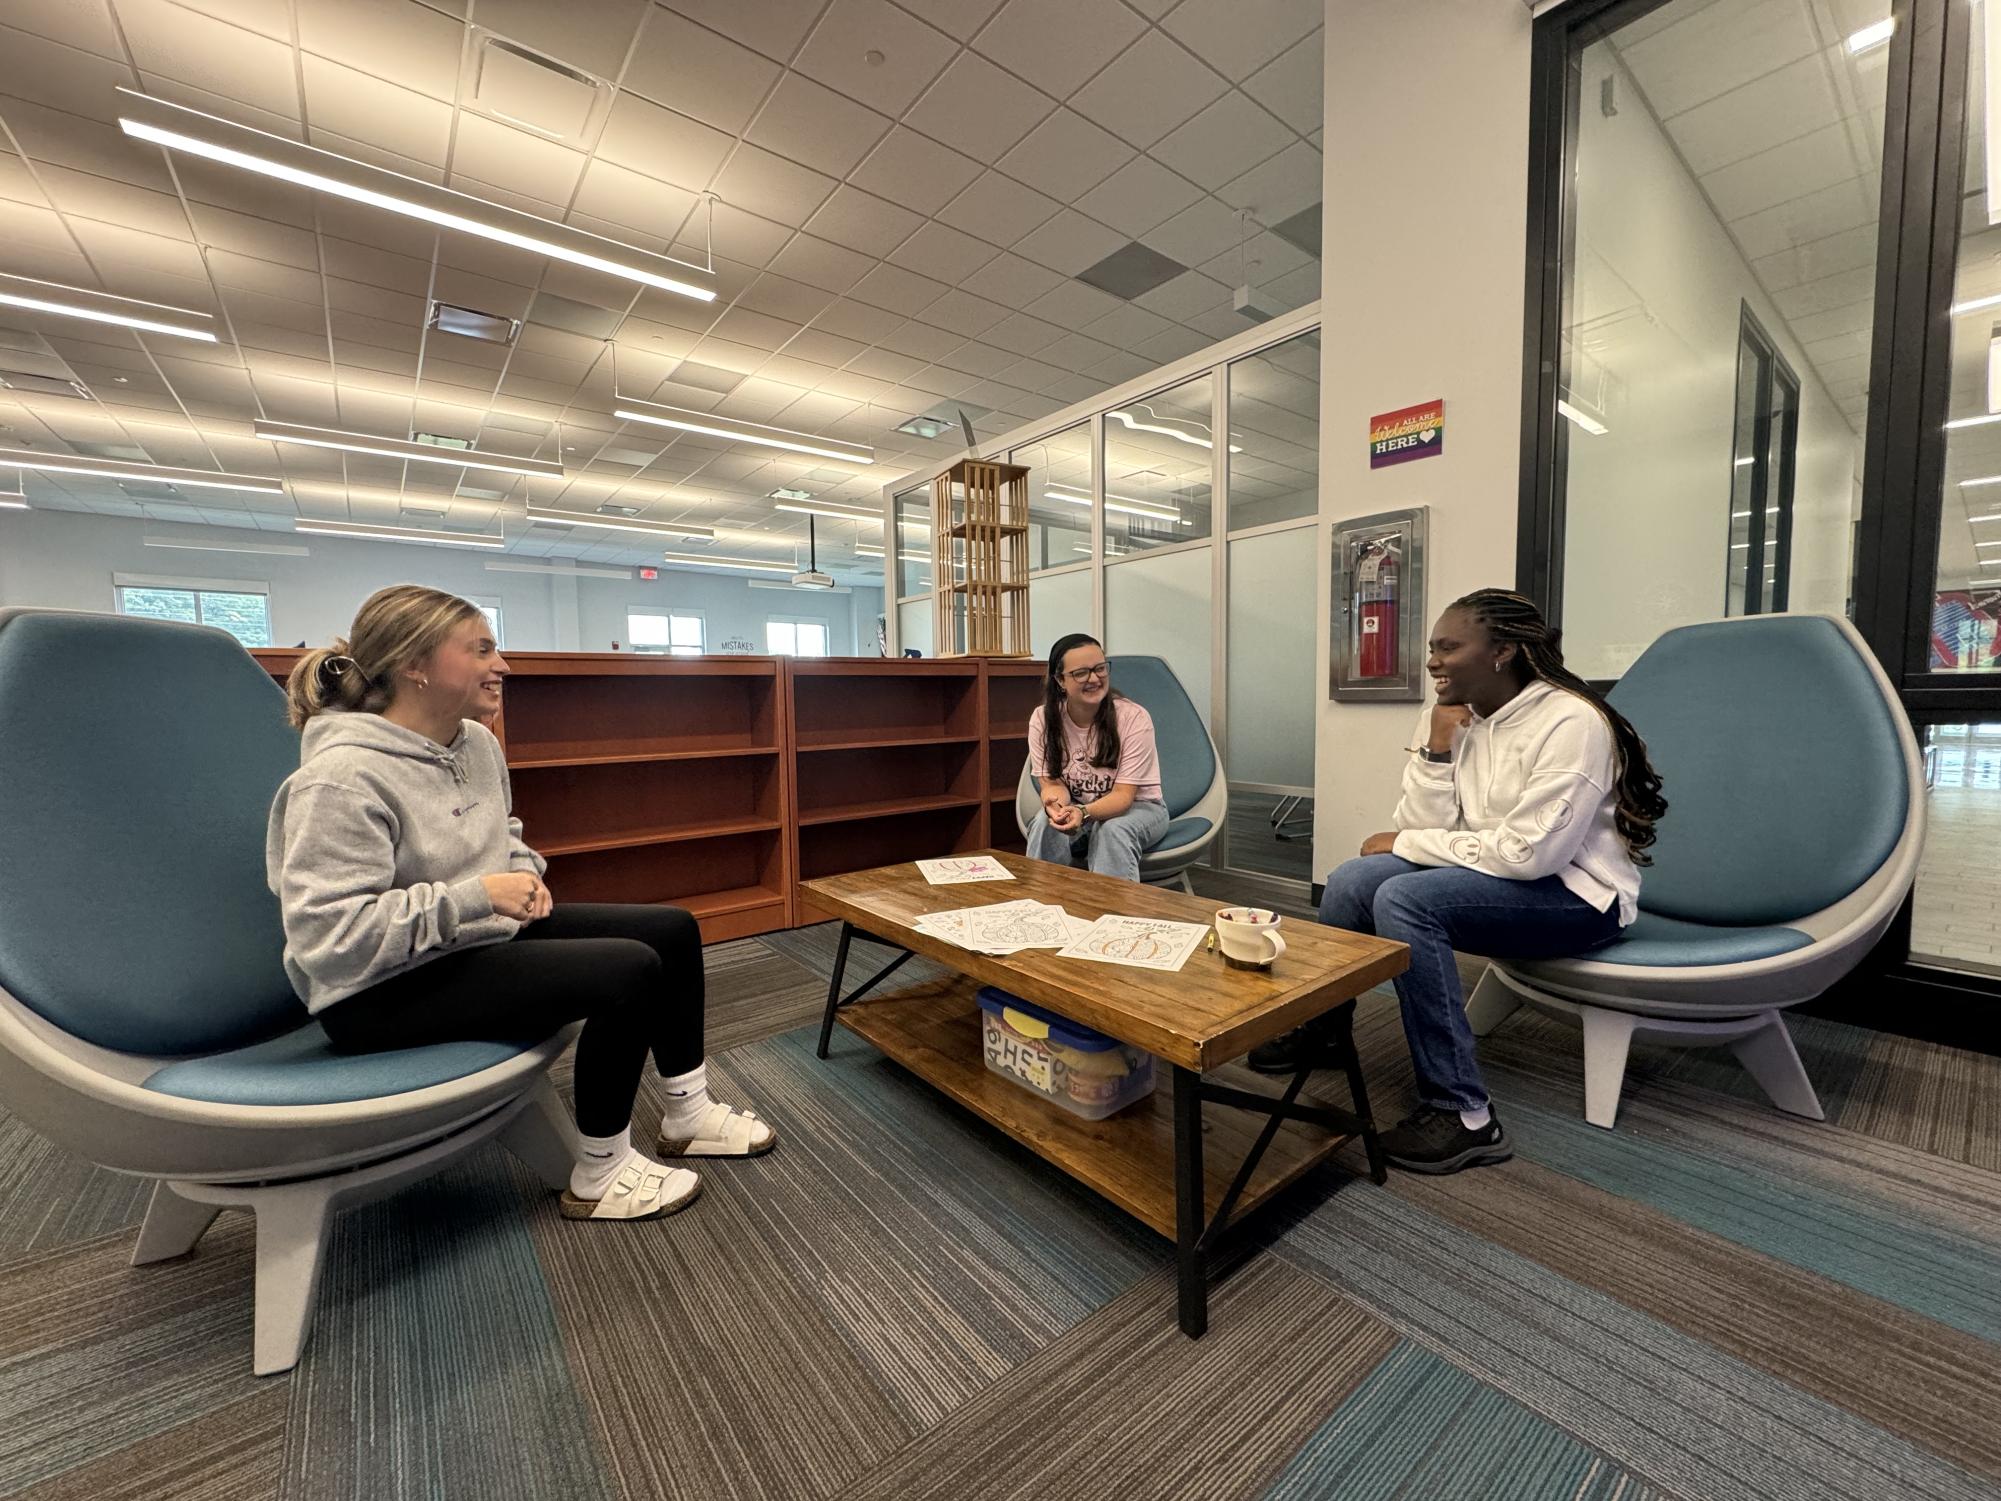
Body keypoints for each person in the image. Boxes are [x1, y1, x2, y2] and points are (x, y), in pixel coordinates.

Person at [267, 584, 775, 1223]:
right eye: (481, 649)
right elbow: (329, 939)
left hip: (473, 938)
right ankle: (601, 1172)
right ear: (414, 665)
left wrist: (520, 874)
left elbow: (500, 833)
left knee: (671, 930)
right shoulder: (338, 779)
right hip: (375, 991)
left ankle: (687, 1112)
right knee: (626, 971)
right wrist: (478, 895)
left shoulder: (475, 742)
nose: (501, 665)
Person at [1254, 588, 1667, 1175]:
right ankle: (1325, 1030)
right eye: (1431, 648)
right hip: (1507, 878)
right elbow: (1423, 826)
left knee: (1404, 897)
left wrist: (1405, 846)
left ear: (1502, 651)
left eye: (1449, 647)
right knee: (1350, 881)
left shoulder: (1572, 722)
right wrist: (1437, 748)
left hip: (1578, 899)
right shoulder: (1472, 721)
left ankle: (1465, 1113)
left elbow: (1528, 854)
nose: (1433, 661)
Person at [1025, 633, 1168, 883]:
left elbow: (1124, 796)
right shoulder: (1042, 719)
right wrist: (1055, 806)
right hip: (1081, 807)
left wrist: (1082, 812)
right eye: (1081, 673)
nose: (1094, 679)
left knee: (1112, 829)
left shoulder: (1133, 718)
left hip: (1141, 808)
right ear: (1060, 680)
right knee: (1044, 823)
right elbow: (1052, 784)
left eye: (1100, 669)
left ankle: (1115, 917)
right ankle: (1042, 905)